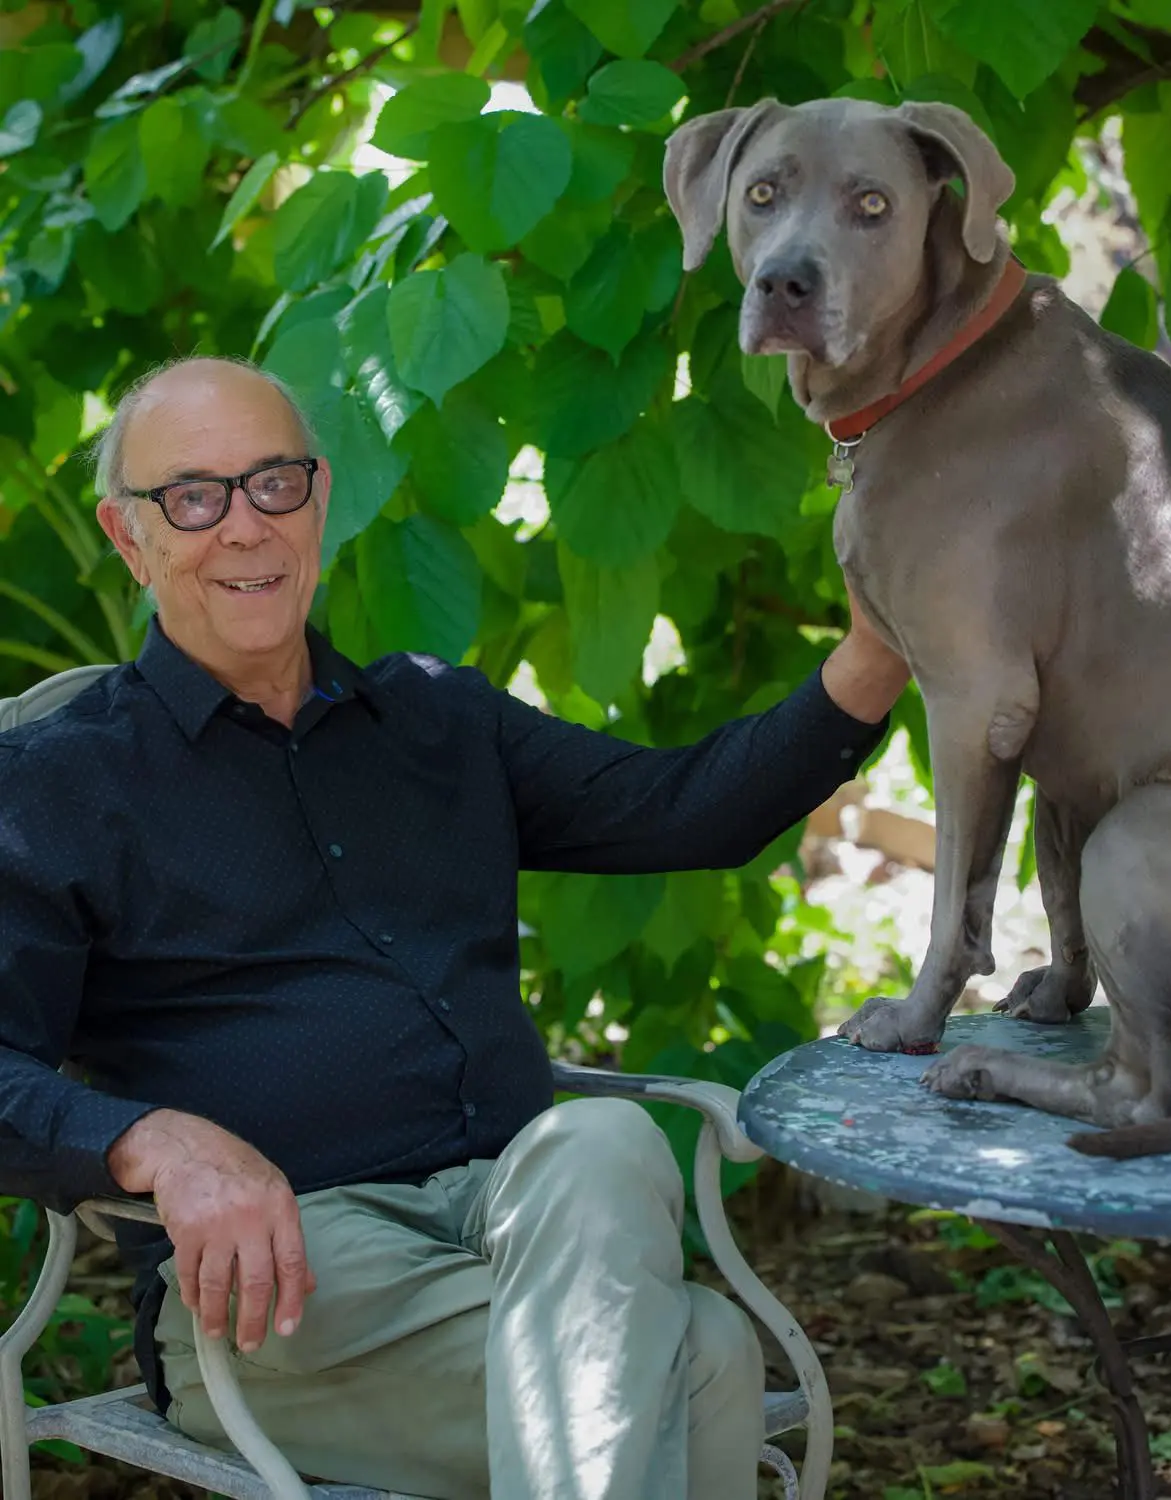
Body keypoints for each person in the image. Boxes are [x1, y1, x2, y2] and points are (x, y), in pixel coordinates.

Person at [0, 357, 909, 1500]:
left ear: (321, 500)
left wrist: (879, 655)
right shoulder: (58, 785)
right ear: (129, 538)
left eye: (273, 483)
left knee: (610, 1144)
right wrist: (151, 1141)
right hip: (292, 1283)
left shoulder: (437, 719)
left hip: (524, 1225)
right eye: (193, 495)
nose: (244, 526)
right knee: (707, 1354)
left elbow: (686, 809)